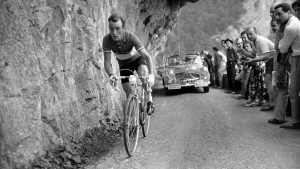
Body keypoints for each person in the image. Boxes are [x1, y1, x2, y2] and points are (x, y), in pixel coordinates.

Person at [102, 13, 155, 106]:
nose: (114, 33)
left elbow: (147, 56)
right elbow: (107, 62)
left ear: (123, 28)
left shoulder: (130, 36)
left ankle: (149, 99)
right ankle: (134, 114)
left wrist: (151, 74)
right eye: (111, 28)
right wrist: (111, 74)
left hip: (137, 60)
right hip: (124, 65)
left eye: (117, 28)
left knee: (144, 77)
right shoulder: (106, 40)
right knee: (128, 92)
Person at [274, 2, 300, 129]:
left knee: (293, 91)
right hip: (294, 57)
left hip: (296, 58)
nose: (277, 17)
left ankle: (295, 121)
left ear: (289, 12)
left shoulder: (290, 27)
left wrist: (282, 44)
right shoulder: (294, 23)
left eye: (279, 14)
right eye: (275, 15)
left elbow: (283, 48)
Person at [268, 2, 290, 125]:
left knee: (281, 88)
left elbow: (283, 47)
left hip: (283, 61)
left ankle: (279, 117)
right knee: (278, 87)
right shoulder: (281, 25)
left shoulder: (286, 26)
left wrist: (281, 63)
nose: (273, 15)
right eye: (272, 13)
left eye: (276, 13)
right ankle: (278, 115)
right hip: (279, 60)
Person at [245, 27, 275, 111]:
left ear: (256, 32)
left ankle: (272, 103)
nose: (249, 36)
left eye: (251, 34)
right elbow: (253, 54)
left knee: (269, 81)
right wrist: (243, 52)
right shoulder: (254, 42)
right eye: (248, 35)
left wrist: (253, 60)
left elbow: (266, 55)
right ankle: (271, 102)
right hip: (269, 61)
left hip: (273, 59)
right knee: (268, 81)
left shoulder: (260, 41)